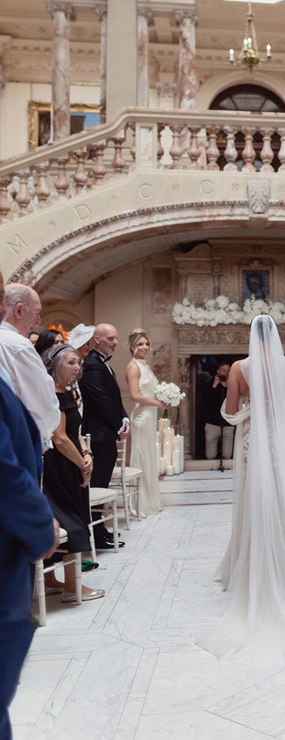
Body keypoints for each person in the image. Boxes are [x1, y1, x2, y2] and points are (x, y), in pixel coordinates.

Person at [196, 315, 285, 658]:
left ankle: (252, 564)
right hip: (284, 440)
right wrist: (278, 407)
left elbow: (230, 410)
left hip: (253, 440)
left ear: (251, 336)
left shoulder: (239, 367)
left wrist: (254, 409)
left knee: (255, 498)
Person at [0, 271, 59, 740]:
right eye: (37, 314)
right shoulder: (17, 347)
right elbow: (43, 404)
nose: (39, 324)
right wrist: (42, 528)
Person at [41, 343, 104, 602]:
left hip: (72, 461)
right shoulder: (51, 394)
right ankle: (71, 587)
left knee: (75, 516)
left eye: (78, 362)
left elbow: (75, 432)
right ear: (55, 365)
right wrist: (81, 464)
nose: (77, 367)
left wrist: (87, 454)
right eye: (70, 362)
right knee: (72, 520)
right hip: (59, 467)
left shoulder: (67, 392)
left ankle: (50, 580)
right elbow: (59, 439)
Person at [79, 323, 128, 549]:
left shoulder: (101, 364)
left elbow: (114, 398)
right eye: (110, 338)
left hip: (105, 433)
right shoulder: (91, 365)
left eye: (116, 338)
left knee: (102, 484)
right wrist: (118, 424)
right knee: (97, 485)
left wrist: (124, 418)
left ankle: (101, 531)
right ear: (96, 340)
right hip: (98, 436)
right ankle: (97, 534)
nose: (115, 342)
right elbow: (100, 400)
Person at [0, 284, 60, 450]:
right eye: (37, 312)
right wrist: (43, 438)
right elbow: (42, 400)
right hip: (17, 441)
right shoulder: (18, 345)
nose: (39, 320)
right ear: (19, 311)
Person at [124, 329, 163, 518]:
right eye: (140, 344)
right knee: (142, 456)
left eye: (146, 343)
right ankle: (140, 503)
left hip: (150, 415)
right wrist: (158, 402)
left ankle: (151, 499)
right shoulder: (133, 366)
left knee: (149, 456)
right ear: (132, 346)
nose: (144, 347)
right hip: (142, 416)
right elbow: (134, 395)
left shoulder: (145, 364)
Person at [200, 361, 232, 461]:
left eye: (228, 371)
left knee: (227, 455)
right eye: (223, 370)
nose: (225, 373)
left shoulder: (233, 385)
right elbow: (206, 402)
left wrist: (227, 387)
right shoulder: (209, 384)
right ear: (218, 371)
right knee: (210, 456)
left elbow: (235, 401)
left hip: (228, 424)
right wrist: (214, 385)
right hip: (212, 423)